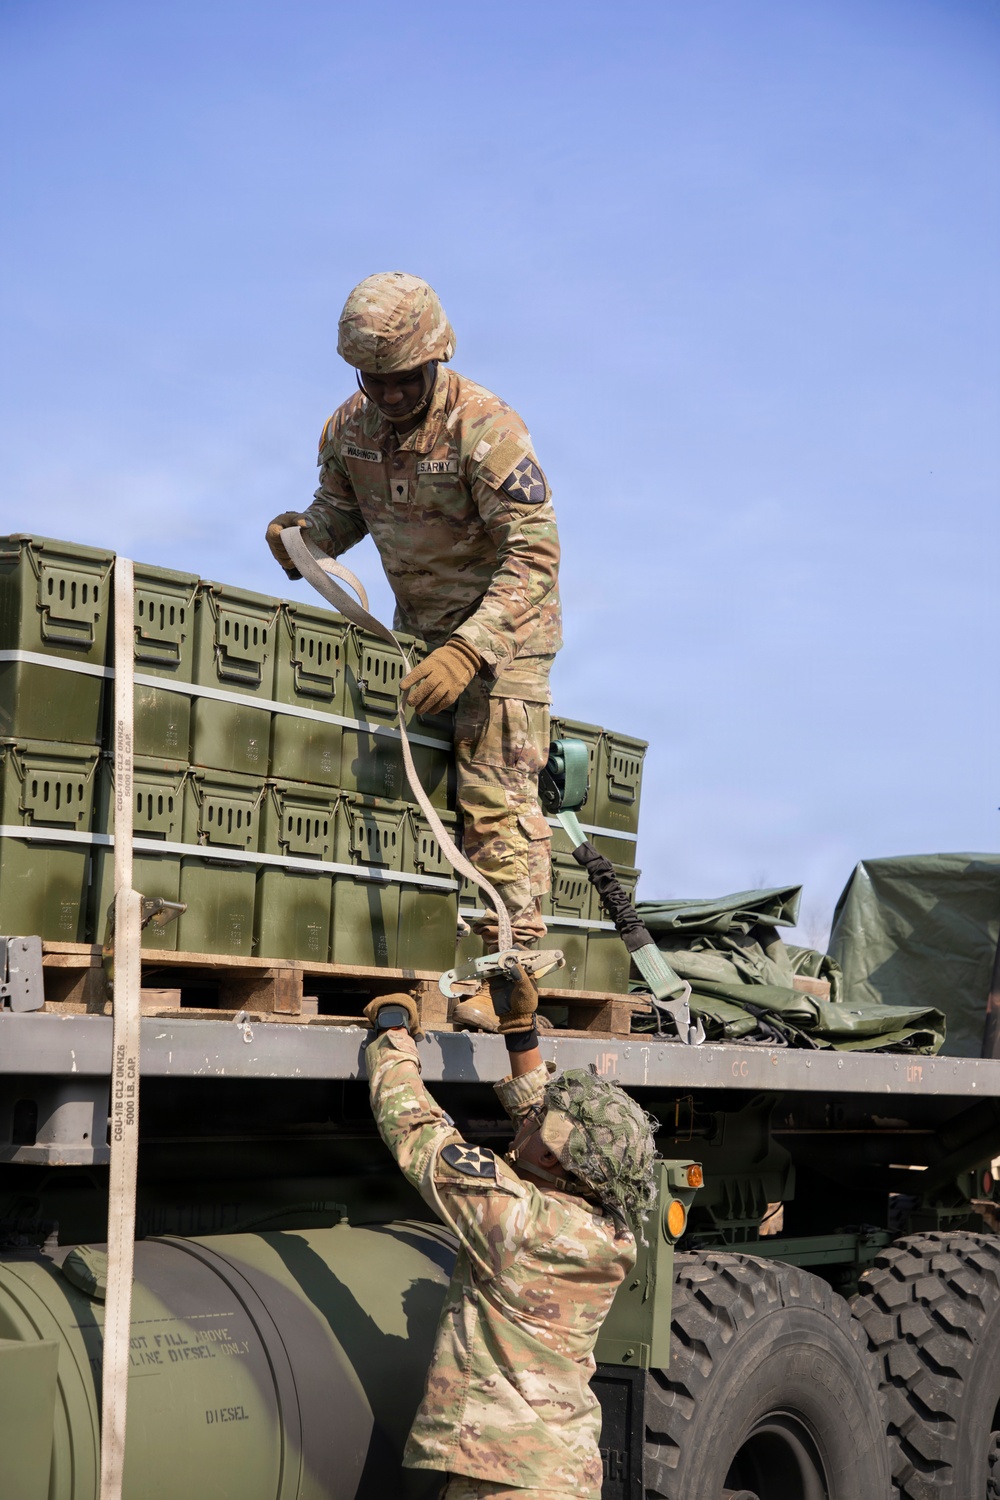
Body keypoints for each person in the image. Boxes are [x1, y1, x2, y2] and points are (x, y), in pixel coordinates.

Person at [265, 271, 561, 951]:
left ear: (436, 356)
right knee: (414, 792)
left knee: (494, 803)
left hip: (505, 641)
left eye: (403, 377)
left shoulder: (484, 429)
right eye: (375, 380)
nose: (389, 394)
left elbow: (536, 555)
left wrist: (470, 649)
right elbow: (341, 514)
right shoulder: (349, 428)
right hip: (418, 640)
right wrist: (301, 539)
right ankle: (429, 944)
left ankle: (512, 967)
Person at [361, 968, 658, 1500]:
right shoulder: (609, 1227)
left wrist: (392, 1036)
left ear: (549, 1154)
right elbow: (550, 1136)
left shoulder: (521, 1223)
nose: (526, 1119)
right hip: (559, 1474)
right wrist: (520, 1033)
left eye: (540, 1122)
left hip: (502, 1482)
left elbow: (414, 1129)